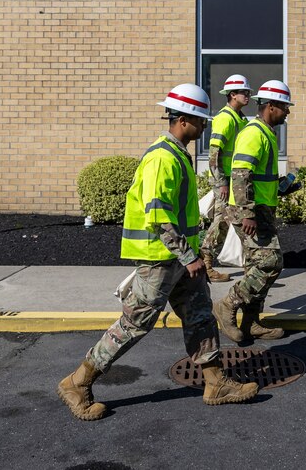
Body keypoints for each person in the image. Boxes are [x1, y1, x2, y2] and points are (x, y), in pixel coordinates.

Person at [57, 83, 258, 421]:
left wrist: (189, 257)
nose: (205, 125)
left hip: (178, 259)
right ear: (182, 120)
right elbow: (157, 216)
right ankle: (78, 382)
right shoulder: (162, 158)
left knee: (200, 316)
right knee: (136, 323)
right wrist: (189, 257)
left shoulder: (177, 153)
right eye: (200, 119)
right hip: (160, 259)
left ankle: (215, 383)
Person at [213, 79, 294, 343]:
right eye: (284, 107)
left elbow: (258, 177)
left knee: (253, 266)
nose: (288, 112)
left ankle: (251, 323)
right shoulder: (254, 133)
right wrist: (247, 212)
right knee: (270, 263)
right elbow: (240, 174)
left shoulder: (265, 132)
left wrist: (280, 187)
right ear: (270, 106)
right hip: (251, 212)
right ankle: (227, 304)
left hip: (261, 208)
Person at [201, 74, 251, 282]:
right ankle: (206, 265)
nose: (248, 96)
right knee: (221, 222)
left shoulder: (240, 118)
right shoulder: (225, 118)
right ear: (232, 95)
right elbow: (215, 153)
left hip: (236, 181)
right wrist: (221, 182)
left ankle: (249, 263)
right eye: (244, 92)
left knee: (236, 221)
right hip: (226, 181)